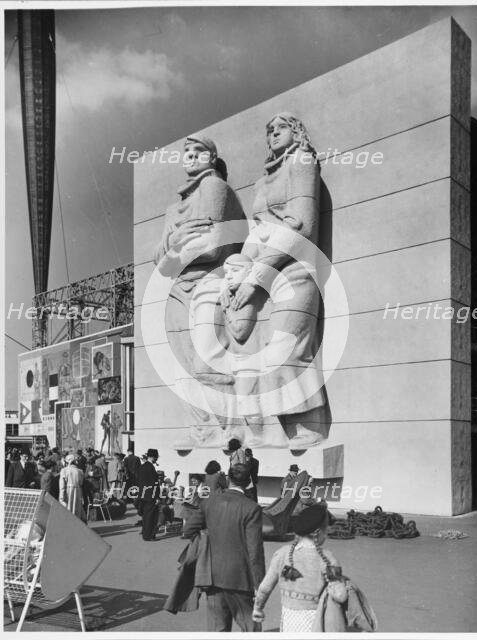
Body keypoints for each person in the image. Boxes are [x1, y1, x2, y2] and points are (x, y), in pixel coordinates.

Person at [235, 112, 327, 447]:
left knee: (289, 349)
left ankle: (309, 426)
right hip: (260, 274)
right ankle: (276, 429)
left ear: (297, 131)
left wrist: (255, 275)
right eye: (269, 130)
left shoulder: (302, 161)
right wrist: (239, 270)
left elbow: (302, 225)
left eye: (281, 127)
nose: (273, 133)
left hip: (293, 269)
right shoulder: (262, 183)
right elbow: (256, 231)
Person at [153, 134, 247, 448]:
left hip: (211, 281)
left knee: (207, 362)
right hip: (179, 290)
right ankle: (202, 429)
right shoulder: (174, 209)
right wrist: (179, 240)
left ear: (211, 157)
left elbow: (212, 247)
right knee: (182, 371)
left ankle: (232, 429)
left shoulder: (215, 188)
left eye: (198, 151)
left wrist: (173, 250)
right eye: (187, 151)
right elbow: (160, 264)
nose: (191, 156)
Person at [183, 463, 265, 632]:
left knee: (217, 628)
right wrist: (259, 583)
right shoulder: (252, 508)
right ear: (249, 481)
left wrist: (206, 539)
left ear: (227, 479)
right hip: (239, 578)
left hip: (212, 574)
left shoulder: (210, 502)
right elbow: (254, 550)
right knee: (251, 627)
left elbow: (188, 529)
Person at [252, 503, 344, 632]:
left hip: (289, 620)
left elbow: (264, 588)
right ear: (318, 532)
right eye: (326, 529)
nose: (327, 533)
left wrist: (258, 608)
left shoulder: (282, 553)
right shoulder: (328, 559)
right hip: (315, 622)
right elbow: (341, 595)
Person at [138, 449, 160, 541]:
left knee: (146, 516)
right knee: (151, 516)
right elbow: (153, 483)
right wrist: (157, 496)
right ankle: (149, 535)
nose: (157, 459)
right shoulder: (151, 468)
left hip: (143, 494)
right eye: (156, 457)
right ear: (153, 457)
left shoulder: (142, 467)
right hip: (151, 495)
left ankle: (145, 533)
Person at [59, 454, 86, 521]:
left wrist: (61, 497)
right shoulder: (80, 471)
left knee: (68, 510)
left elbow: (62, 486)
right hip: (78, 491)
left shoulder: (64, 470)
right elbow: (81, 483)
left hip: (68, 491)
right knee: (78, 510)